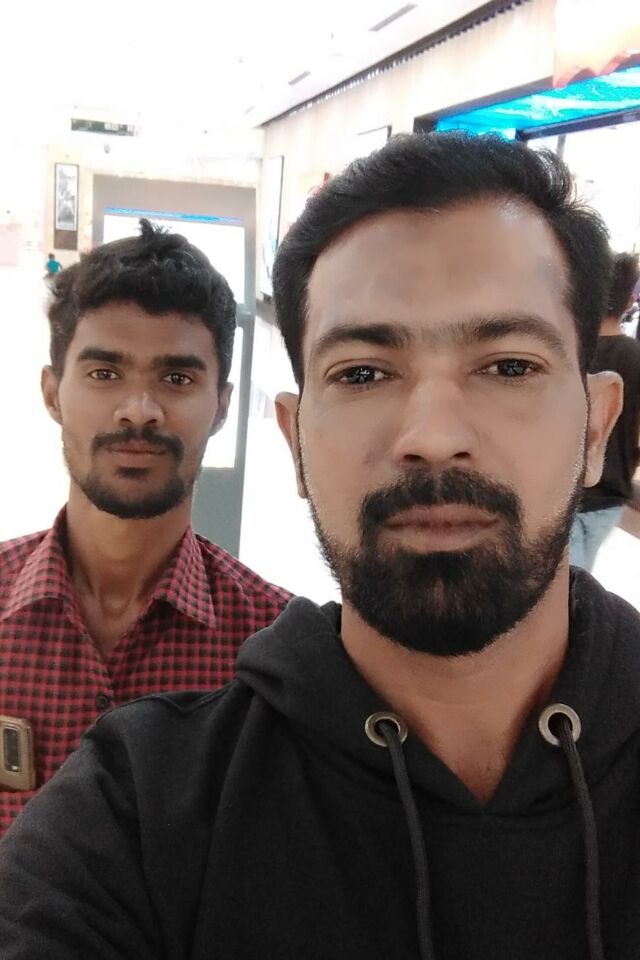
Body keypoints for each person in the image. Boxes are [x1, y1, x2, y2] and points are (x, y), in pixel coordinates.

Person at [1, 133, 636, 960]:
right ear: (295, 442)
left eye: (509, 366)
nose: (432, 436)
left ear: (598, 428)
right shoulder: (138, 809)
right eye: (363, 373)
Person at [0, 219, 290, 836]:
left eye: (177, 378)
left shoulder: (274, 653)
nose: (139, 411)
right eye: (104, 374)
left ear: (221, 405)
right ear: (52, 393)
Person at [570, 251, 640, 570]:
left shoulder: (570, 351)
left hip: (567, 490)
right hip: (612, 494)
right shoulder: (635, 357)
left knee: (567, 580)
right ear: (629, 301)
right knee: (581, 575)